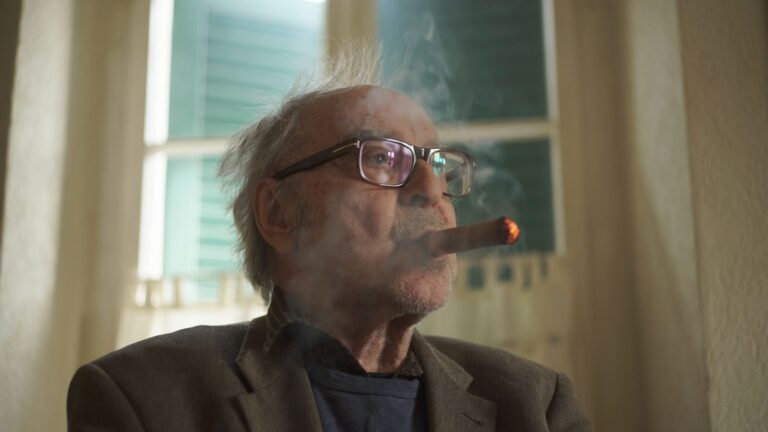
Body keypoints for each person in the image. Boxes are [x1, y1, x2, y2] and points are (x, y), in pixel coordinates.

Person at [67, 61, 592, 431]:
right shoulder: (144, 397)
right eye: (381, 158)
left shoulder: (536, 405)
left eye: (439, 166)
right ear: (278, 213)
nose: (432, 192)